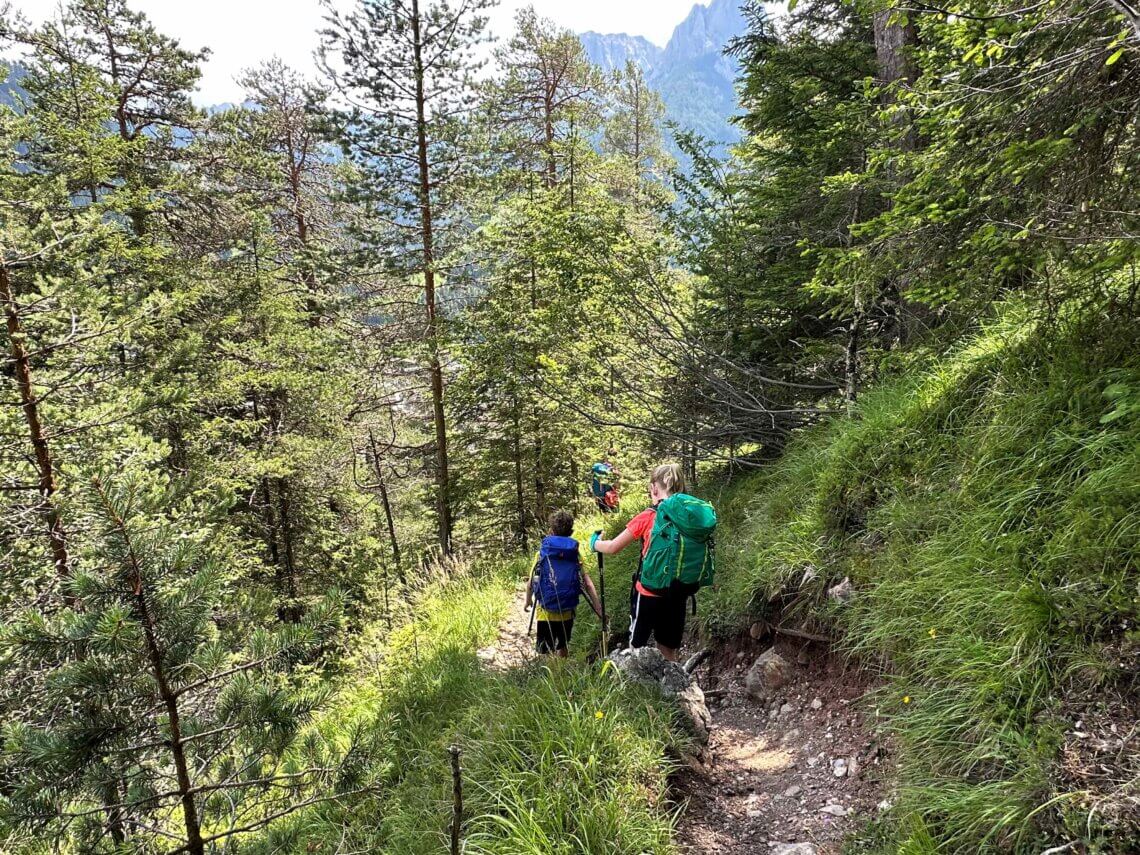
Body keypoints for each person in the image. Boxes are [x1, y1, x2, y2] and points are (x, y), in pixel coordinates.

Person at [590, 463, 692, 661]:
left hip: (648, 592)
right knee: (669, 648)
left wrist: (595, 544)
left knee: (636, 646)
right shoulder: (689, 516)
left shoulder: (648, 516)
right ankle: (670, 688)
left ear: (654, 488)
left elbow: (613, 547)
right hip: (678, 590)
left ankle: (636, 688)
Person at [525, 510, 604, 658]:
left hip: (545, 612)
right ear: (571, 532)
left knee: (546, 650)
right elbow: (587, 583)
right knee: (563, 646)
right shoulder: (574, 554)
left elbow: (531, 582)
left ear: (551, 530)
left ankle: (552, 676)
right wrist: (598, 607)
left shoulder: (542, 553)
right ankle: (563, 672)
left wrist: (528, 601)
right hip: (567, 610)